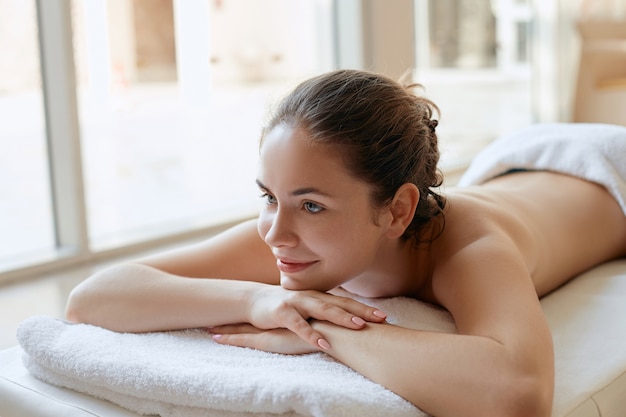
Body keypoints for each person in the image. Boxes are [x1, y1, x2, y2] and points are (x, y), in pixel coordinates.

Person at [66, 69, 626, 417]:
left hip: (607, 171)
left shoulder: (472, 247)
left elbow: (519, 394)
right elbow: (93, 298)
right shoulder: (288, 231)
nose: (275, 232)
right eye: (268, 196)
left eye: (311, 205)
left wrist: (320, 331)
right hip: (515, 166)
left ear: (397, 210)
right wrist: (262, 302)